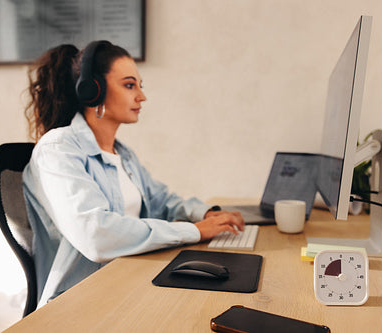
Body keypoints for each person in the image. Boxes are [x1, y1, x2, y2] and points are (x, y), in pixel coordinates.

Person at [22, 40, 244, 307]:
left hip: (131, 280)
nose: (141, 96)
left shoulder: (122, 154)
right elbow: (96, 235)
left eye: (140, 85)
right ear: (93, 90)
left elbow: (162, 202)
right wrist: (195, 230)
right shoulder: (58, 149)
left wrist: (206, 214)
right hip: (80, 300)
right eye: (129, 85)